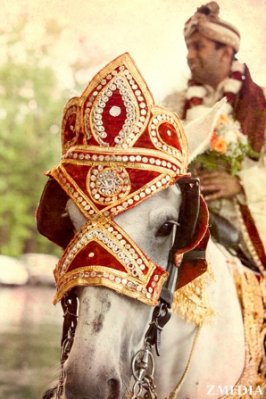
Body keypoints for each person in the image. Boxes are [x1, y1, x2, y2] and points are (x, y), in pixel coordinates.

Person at [164, 1, 266, 274]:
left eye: (199, 46)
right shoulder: (173, 104)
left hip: (245, 223)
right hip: (185, 218)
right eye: (188, 47)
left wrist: (240, 183)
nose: (190, 55)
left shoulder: (261, 103)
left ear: (226, 52)